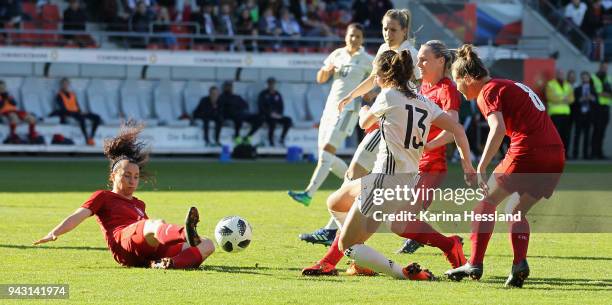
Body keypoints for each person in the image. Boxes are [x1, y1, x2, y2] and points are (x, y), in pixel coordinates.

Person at [332, 49, 474, 280]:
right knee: (336, 202)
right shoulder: (424, 101)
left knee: (346, 245)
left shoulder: (388, 96)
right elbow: (458, 128)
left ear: (385, 75)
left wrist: (364, 109)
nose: (374, 78)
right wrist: (467, 165)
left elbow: (364, 124)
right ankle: (362, 256)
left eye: (376, 73)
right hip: (407, 181)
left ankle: (403, 272)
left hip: (383, 180)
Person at [296, 9, 420, 249]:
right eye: (385, 29)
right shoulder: (385, 51)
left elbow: (418, 88)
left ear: (404, 31)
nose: (388, 33)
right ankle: (338, 231)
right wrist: (351, 96)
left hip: (393, 127)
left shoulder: (410, 55)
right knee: (366, 180)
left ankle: (338, 233)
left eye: (393, 30)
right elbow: (375, 78)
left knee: (360, 179)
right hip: (385, 124)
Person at [444, 45, 565, 288]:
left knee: (485, 203)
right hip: (556, 155)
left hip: (528, 151)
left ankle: (474, 263)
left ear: (468, 78)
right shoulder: (508, 84)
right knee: (515, 210)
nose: (457, 88)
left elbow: (497, 128)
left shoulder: (487, 90)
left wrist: (482, 166)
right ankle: (519, 263)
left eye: (457, 81)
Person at [33, 122, 215, 269]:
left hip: (146, 252)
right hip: (124, 243)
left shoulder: (139, 203)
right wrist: (54, 233)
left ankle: (168, 264)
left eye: (136, 176)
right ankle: (187, 233)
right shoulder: (102, 196)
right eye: (126, 175)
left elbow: (149, 238)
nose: (132, 181)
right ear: (113, 176)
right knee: (155, 224)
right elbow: (77, 216)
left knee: (208, 245)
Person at [288, 23, 373, 207]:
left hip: (349, 111)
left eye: (358, 36)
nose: (354, 39)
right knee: (324, 157)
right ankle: (357, 184)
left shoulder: (367, 60)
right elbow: (320, 79)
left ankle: (308, 193)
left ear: (362, 39)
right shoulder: (337, 54)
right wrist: (326, 71)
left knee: (327, 152)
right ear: (345, 36)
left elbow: (374, 85)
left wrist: (367, 94)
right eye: (351, 35)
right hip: (329, 110)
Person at [396, 40, 462, 254]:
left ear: (440, 61)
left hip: (432, 166)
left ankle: (449, 243)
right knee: (398, 214)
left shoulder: (447, 89)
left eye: (424, 59)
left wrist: (429, 145)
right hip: (412, 163)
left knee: (402, 218)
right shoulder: (421, 86)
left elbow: (453, 130)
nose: (419, 63)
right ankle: (440, 241)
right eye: (418, 60)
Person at [52, 78, 101, 146]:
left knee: (97, 117)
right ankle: (86, 139)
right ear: (61, 85)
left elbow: (76, 105)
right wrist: (75, 112)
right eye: (64, 84)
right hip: (69, 113)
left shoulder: (72, 94)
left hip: (77, 112)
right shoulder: (59, 95)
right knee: (82, 119)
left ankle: (91, 137)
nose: (65, 85)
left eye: (67, 84)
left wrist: (81, 111)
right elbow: (62, 108)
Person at [546, 69, 574, 157]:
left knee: (566, 135)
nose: (560, 75)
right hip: (555, 114)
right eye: (559, 73)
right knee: (555, 136)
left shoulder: (568, 85)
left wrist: (558, 98)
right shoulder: (550, 84)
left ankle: (565, 154)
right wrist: (564, 99)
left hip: (566, 114)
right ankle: (555, 154)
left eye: (562, 73)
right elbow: (550, 97)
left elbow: (572, 99)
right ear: (556, 74)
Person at [257, 77, 292, 147]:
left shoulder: (277, 94)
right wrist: (270, 114)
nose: (271, 85)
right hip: (267, 116)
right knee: (272, 123)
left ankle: (282, 138)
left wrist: (279, 114)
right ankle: (271, 141)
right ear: (268, 84)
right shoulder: (263, 94)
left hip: (277, 115)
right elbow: (261, 106)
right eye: (270, 83)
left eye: (273, 84)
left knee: (288, 120)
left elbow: (281, 106)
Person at [572, 71, 597, 159]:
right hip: (579, 114)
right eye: (583, 77)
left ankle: (586, 155)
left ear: (589, 78)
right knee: (577, 135)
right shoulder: (577, 88)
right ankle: (575, 154)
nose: (584, 79)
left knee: (587, 135)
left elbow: (596, 101)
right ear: (581, 78)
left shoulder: (593, 88)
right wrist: (580, 99)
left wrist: (592, 98)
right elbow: (574, 102)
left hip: (589, 115)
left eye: (586, 77)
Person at [591, 62, 610, 159]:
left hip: (606, 108)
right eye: (603, 67)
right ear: (600, 67)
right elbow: (593, 92)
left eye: (606, 67)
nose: (605, 69)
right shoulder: (593, 77)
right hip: (596, 108)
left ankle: (600, 153)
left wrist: (602, 94)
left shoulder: (609, 78)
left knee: (602, 131)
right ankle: (593, 153)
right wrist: (602, 94)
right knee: (596, 130)